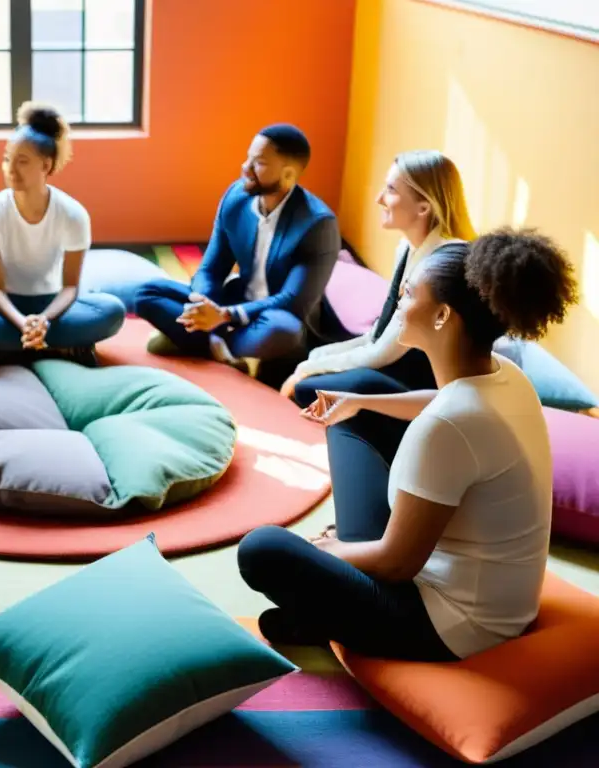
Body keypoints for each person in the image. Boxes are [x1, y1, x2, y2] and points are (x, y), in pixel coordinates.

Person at [237, 228, 577, 661]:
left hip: (449, 624)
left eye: (409, 293)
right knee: (354, 411)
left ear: (442, 316)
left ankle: (322, 617)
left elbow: (398, 563)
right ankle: (320, 613)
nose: (398, 302)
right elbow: (445, 399)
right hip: (460, 577)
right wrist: (360, 401)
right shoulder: (507, 375)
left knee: (263, 549)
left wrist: (326, 548)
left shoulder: (448, 428)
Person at [134, 124, 343, 375]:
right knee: (146, 293)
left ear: (288, 175)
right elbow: (211, 268)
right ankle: (220, 348)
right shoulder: (236, 197)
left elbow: (291, 301)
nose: (246, 168)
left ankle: (194, 339)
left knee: (283, 331)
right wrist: (203, 303)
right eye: (248, 158)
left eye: (259, 163)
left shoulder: (317, 224)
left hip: (273, 315)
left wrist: (224, 316)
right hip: (233, 301)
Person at [0, 101, 125, 367]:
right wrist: (23, 323)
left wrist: (44, 320)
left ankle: (2, 346)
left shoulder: (73, 214)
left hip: (53, 300)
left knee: (112, 312)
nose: (10, 169)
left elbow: (70, 287)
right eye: (6, 159)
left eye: (22, 161)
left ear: (46, 166)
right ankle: (50, 346)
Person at [282, 150, 476, 404]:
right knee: (307, 360)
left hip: (422, 382)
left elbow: (383, 353)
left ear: (424, 207)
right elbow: (379, 333)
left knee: (307, 388)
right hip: (391, 362)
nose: (379, 199)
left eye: (391, 190)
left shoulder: (439, 265)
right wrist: (314, 359)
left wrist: (307, 370)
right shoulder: (407, 248)